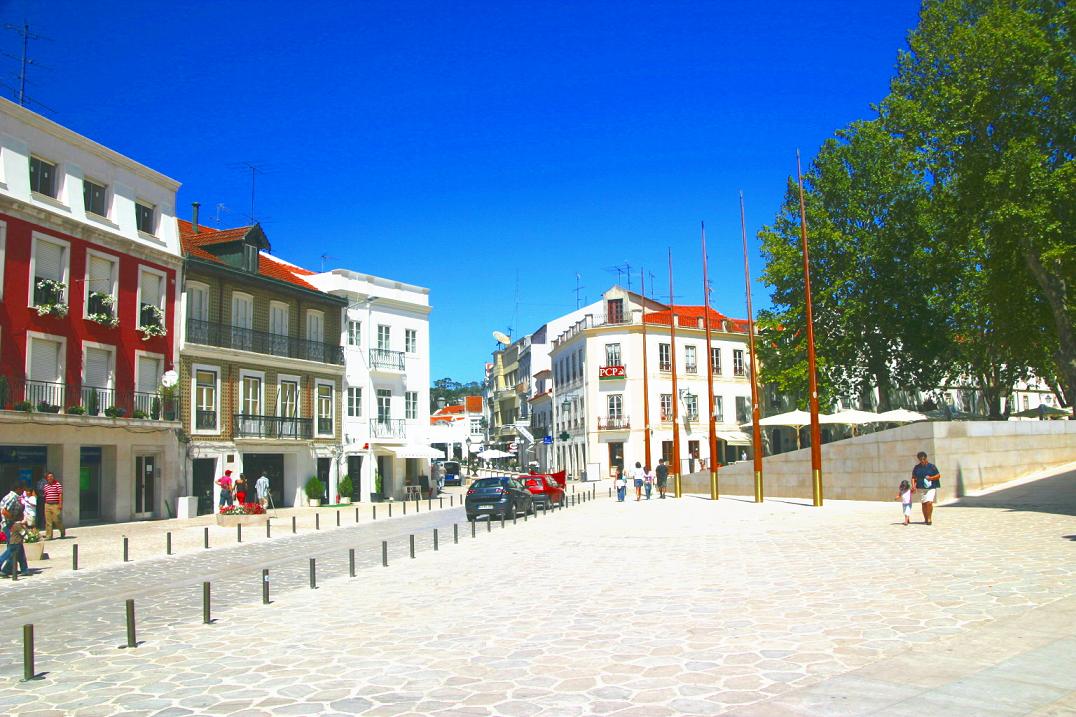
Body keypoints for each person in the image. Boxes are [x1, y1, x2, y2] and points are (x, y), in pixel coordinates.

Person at [911, 451, 941, 525]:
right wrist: (913, 486)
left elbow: (938, 475)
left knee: (929, 502)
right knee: (924, 503)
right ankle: (925, 518)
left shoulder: (932, 466)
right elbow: (913, 478)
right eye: (921, 459)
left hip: (931, 487)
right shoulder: (917, 467)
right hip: (921, 487)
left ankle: (929, 518)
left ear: (926, 458)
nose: (922, 461)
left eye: (923, 459)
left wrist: (931, 478)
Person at [0, 499, 28, 578]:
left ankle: (24, 569)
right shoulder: (18, 525)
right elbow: (24, 533)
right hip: (16, 544)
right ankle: (5, 570)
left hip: (14, 542)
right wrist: (25, 528)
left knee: (9, 554)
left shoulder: (14, 525)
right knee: (9, 555)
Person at [42, 471, 64, 540]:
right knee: (48, 521)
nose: (50, 478)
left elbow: (60, 494)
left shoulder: (57, 484)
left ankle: (62, 530)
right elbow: (45, 494)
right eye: (48, 477)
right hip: (47, 504)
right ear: (47, 478)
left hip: (55, 504)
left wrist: (60, 504)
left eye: (51, 476)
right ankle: (49, 536)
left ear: (53, 477)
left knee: (56, 519)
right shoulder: (46, 486)